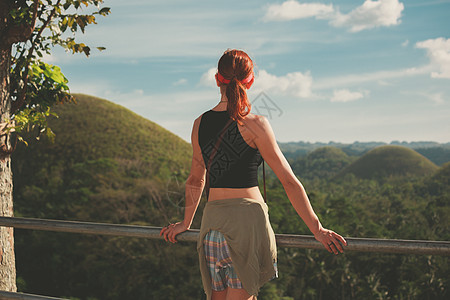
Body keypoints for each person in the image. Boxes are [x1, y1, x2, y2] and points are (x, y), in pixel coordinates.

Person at [160, 49, 347, 300]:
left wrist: (185, 224)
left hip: (212, 225)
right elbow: (289, 182)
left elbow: (196, 180)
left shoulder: (199, 123)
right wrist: (317, 229)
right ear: (250, 81)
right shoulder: (256, 124)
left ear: (217, 79)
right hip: (247, 224)